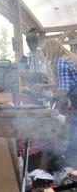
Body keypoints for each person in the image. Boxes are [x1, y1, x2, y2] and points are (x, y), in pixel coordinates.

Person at [41, 39, 77, 167]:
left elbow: (63, 90)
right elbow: (63, 82)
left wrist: (50, 96)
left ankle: (71, 171)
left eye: (45, 54)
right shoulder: (67, 59)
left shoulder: (61, 62)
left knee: (74, 142)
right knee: (73, 139)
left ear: (51, 52)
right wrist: (43, 85)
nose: (46, 57)